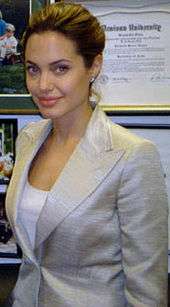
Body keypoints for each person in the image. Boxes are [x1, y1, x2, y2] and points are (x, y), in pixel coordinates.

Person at [5, 2, 168, 307]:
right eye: (33, 69)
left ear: (93, 66)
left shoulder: (132, 157)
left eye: (60, 68)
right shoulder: (28, 140)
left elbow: (148, 292)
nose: (42, 86)